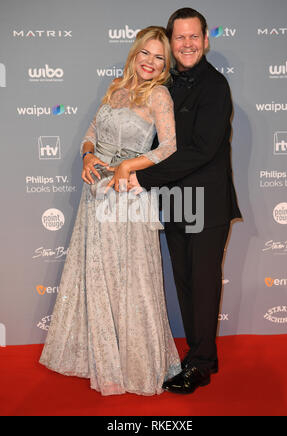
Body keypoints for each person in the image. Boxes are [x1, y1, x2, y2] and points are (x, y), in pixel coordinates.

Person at [39, 26, 182, 396]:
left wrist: (129, 166)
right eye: (145, 54)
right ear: (135, 54)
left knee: (131, 280)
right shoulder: (116, 86)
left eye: (159, 58)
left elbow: (169, 147)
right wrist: (87, 153)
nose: (150, 62)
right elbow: (91, 132)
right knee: (98, 277)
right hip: (96, 194)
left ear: (165, 65)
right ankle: (101, 359)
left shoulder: (160, 96)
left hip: (129, 196)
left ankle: (136, 364)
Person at [130, 8, 242, 394]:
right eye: (180, 38)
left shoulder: (215, 87)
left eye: (194, 37)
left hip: (207, 205)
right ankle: (196, 356)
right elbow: (151, 142)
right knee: (186, 286)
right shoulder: (164, 85)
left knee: (204, 285)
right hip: (175, 202)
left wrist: (141, 177)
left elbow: (200, 150)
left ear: (206, 40)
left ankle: (202, 364)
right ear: (170, 42)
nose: (188, 44)